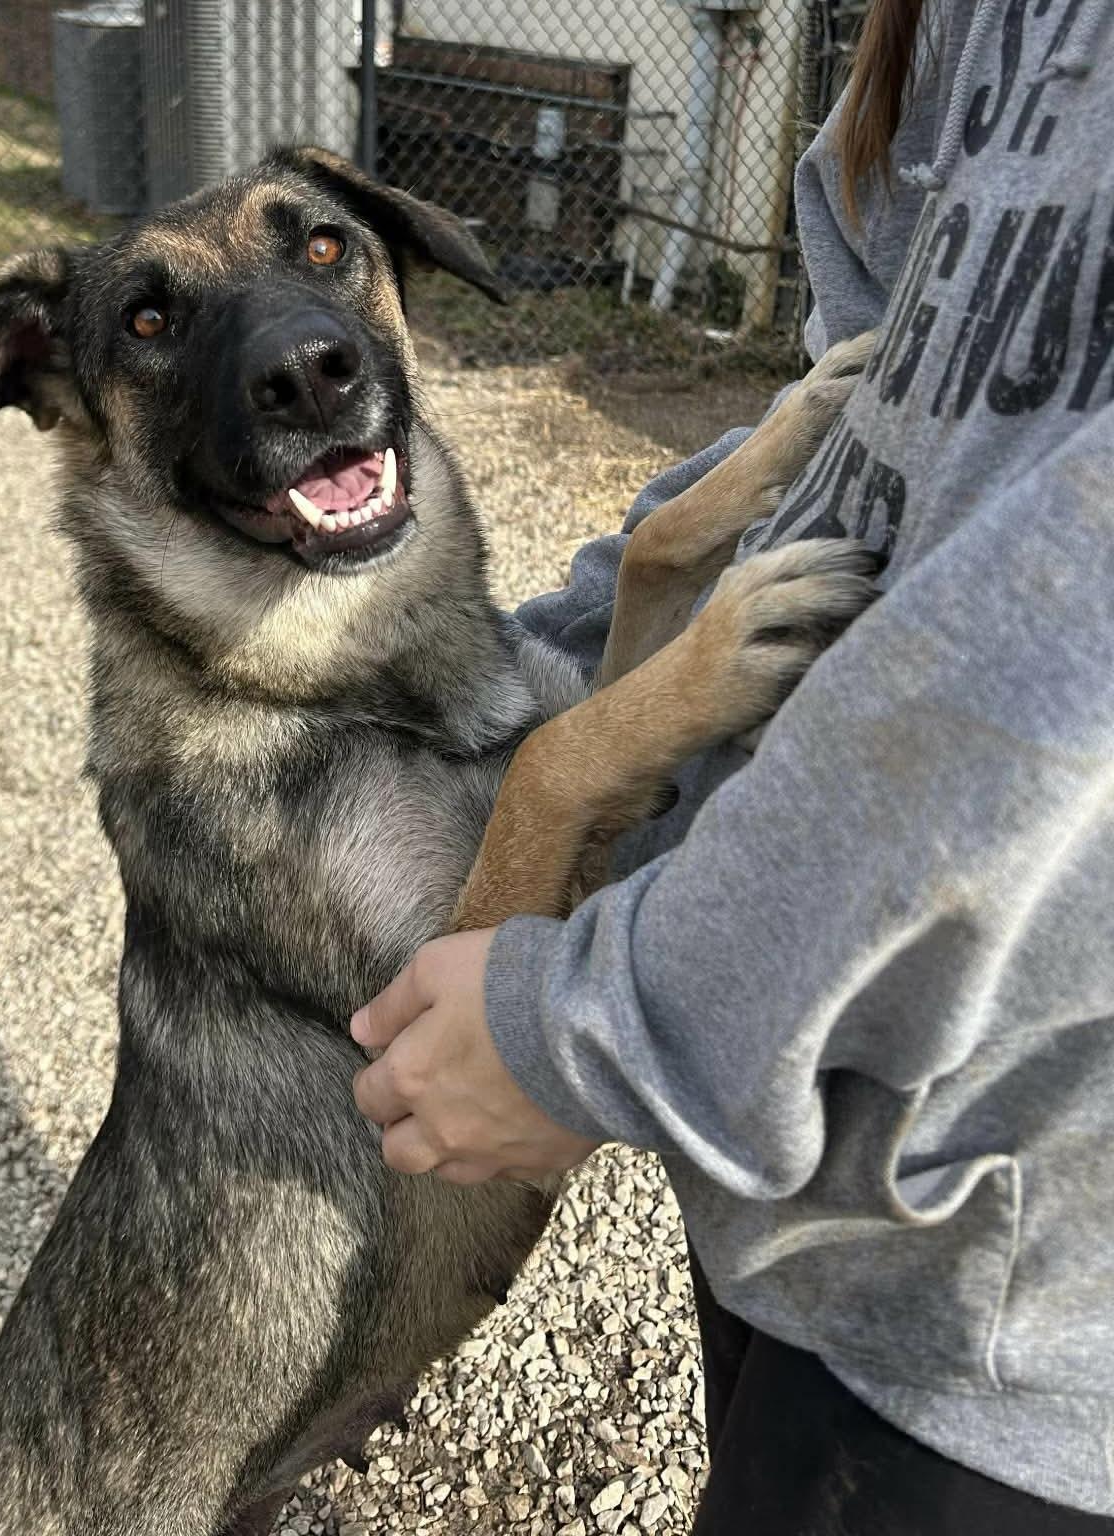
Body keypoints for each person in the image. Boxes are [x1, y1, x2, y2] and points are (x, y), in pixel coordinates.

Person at [350, 0, 1114, 1528]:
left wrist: (616, 1013)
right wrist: (579, 624)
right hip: (791, 1158)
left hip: (1005, 1293)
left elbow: (1049, 650)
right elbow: (888, 407)